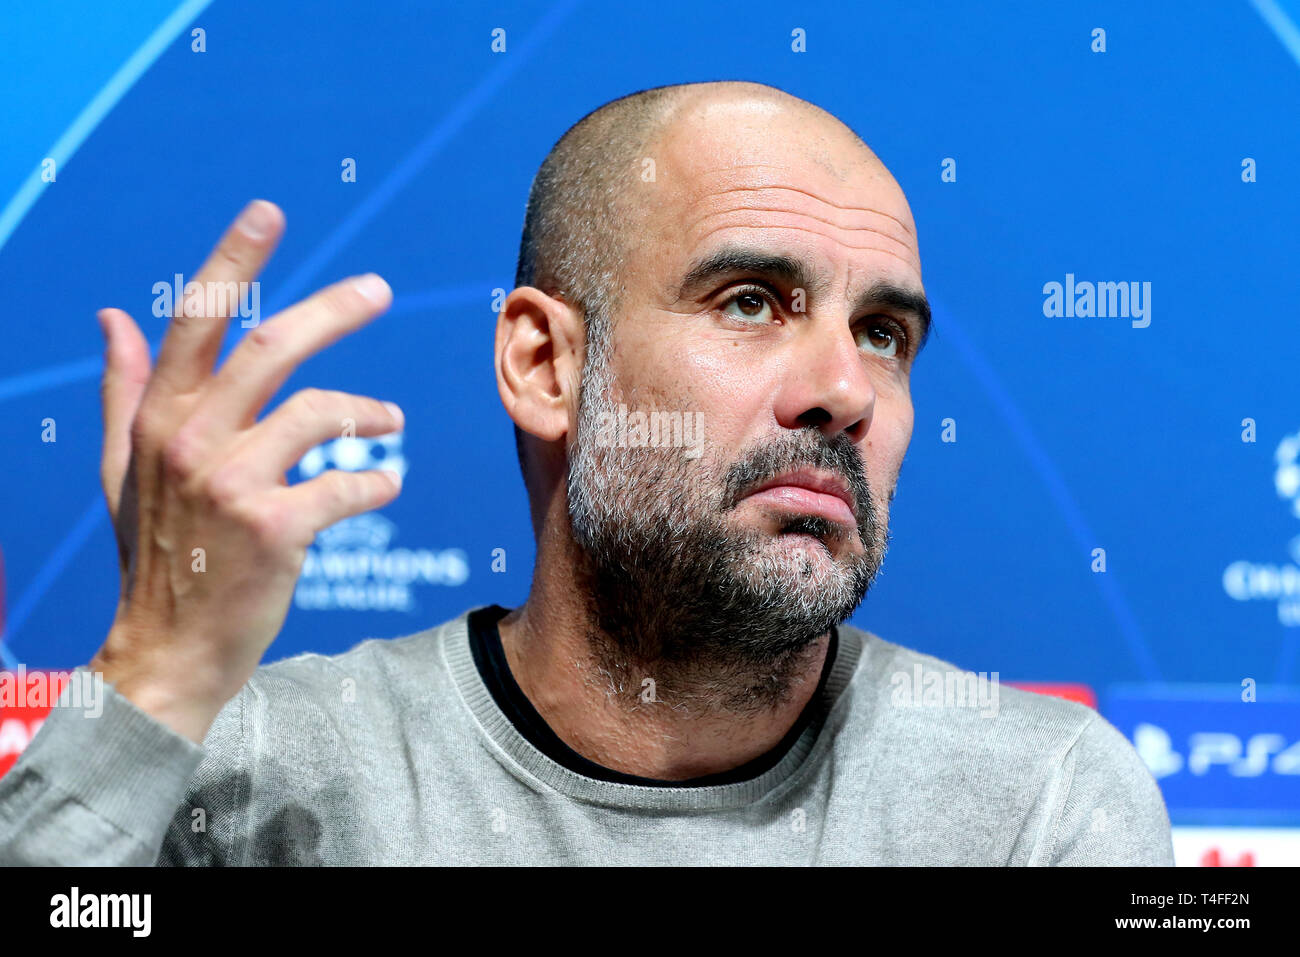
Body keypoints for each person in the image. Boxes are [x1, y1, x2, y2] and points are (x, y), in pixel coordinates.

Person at [0, 80, 1174, 865]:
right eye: (752, 302)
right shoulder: (270, 773)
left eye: (883, 333)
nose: (846, 390)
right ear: (545, 365)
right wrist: (155, 674)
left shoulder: (1040, 807)